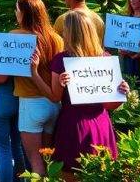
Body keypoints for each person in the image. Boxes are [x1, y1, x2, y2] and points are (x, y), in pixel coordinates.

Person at [41, 12, 129, 179]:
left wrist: (121, 91)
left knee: (69, 173)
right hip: (101, 124)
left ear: (70, 33)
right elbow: (110, 106)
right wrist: (120, 95)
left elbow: (55, 97)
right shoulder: (105, 58)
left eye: (65, 30)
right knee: (100, 173)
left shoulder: (62, 59)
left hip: (73, 126)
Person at [13, 0, 64, 177]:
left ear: (24, 14)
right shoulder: (56, 38)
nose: (15, 13)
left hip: (31, 103)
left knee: (35, 162)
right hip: (53, 103)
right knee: (47, 157)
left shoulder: (16, 36)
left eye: (17, 10)